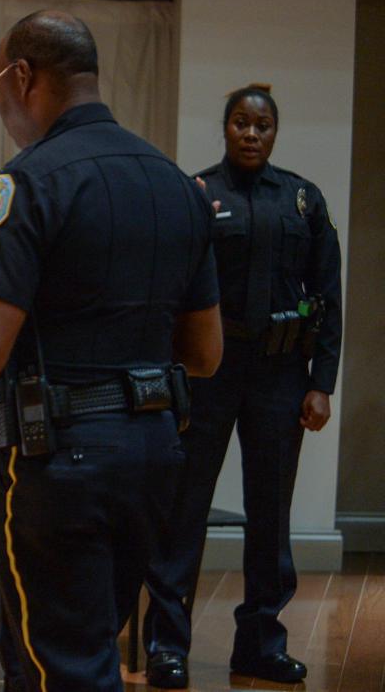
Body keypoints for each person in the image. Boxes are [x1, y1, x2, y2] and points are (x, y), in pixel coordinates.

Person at [0, 10, 223, 692]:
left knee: (56, 668)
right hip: (154, 455)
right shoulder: (176, 185)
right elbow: (205, 352)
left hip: (60, 462)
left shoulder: (27, 183)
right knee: (93, 653)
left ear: (23, 76)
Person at [141, 84, 342, 687]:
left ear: (275, 133)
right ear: (225, 128)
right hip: (209, 374)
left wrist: (321, 383)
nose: (251, 134)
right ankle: (167, 647)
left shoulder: (303, 200)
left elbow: (328, 298)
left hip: (282, 377)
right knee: (184, 510)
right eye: (240, 123)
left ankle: (260, 644)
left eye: (262, 125)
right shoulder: (198, 194)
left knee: (270, 514)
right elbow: (171, 294)